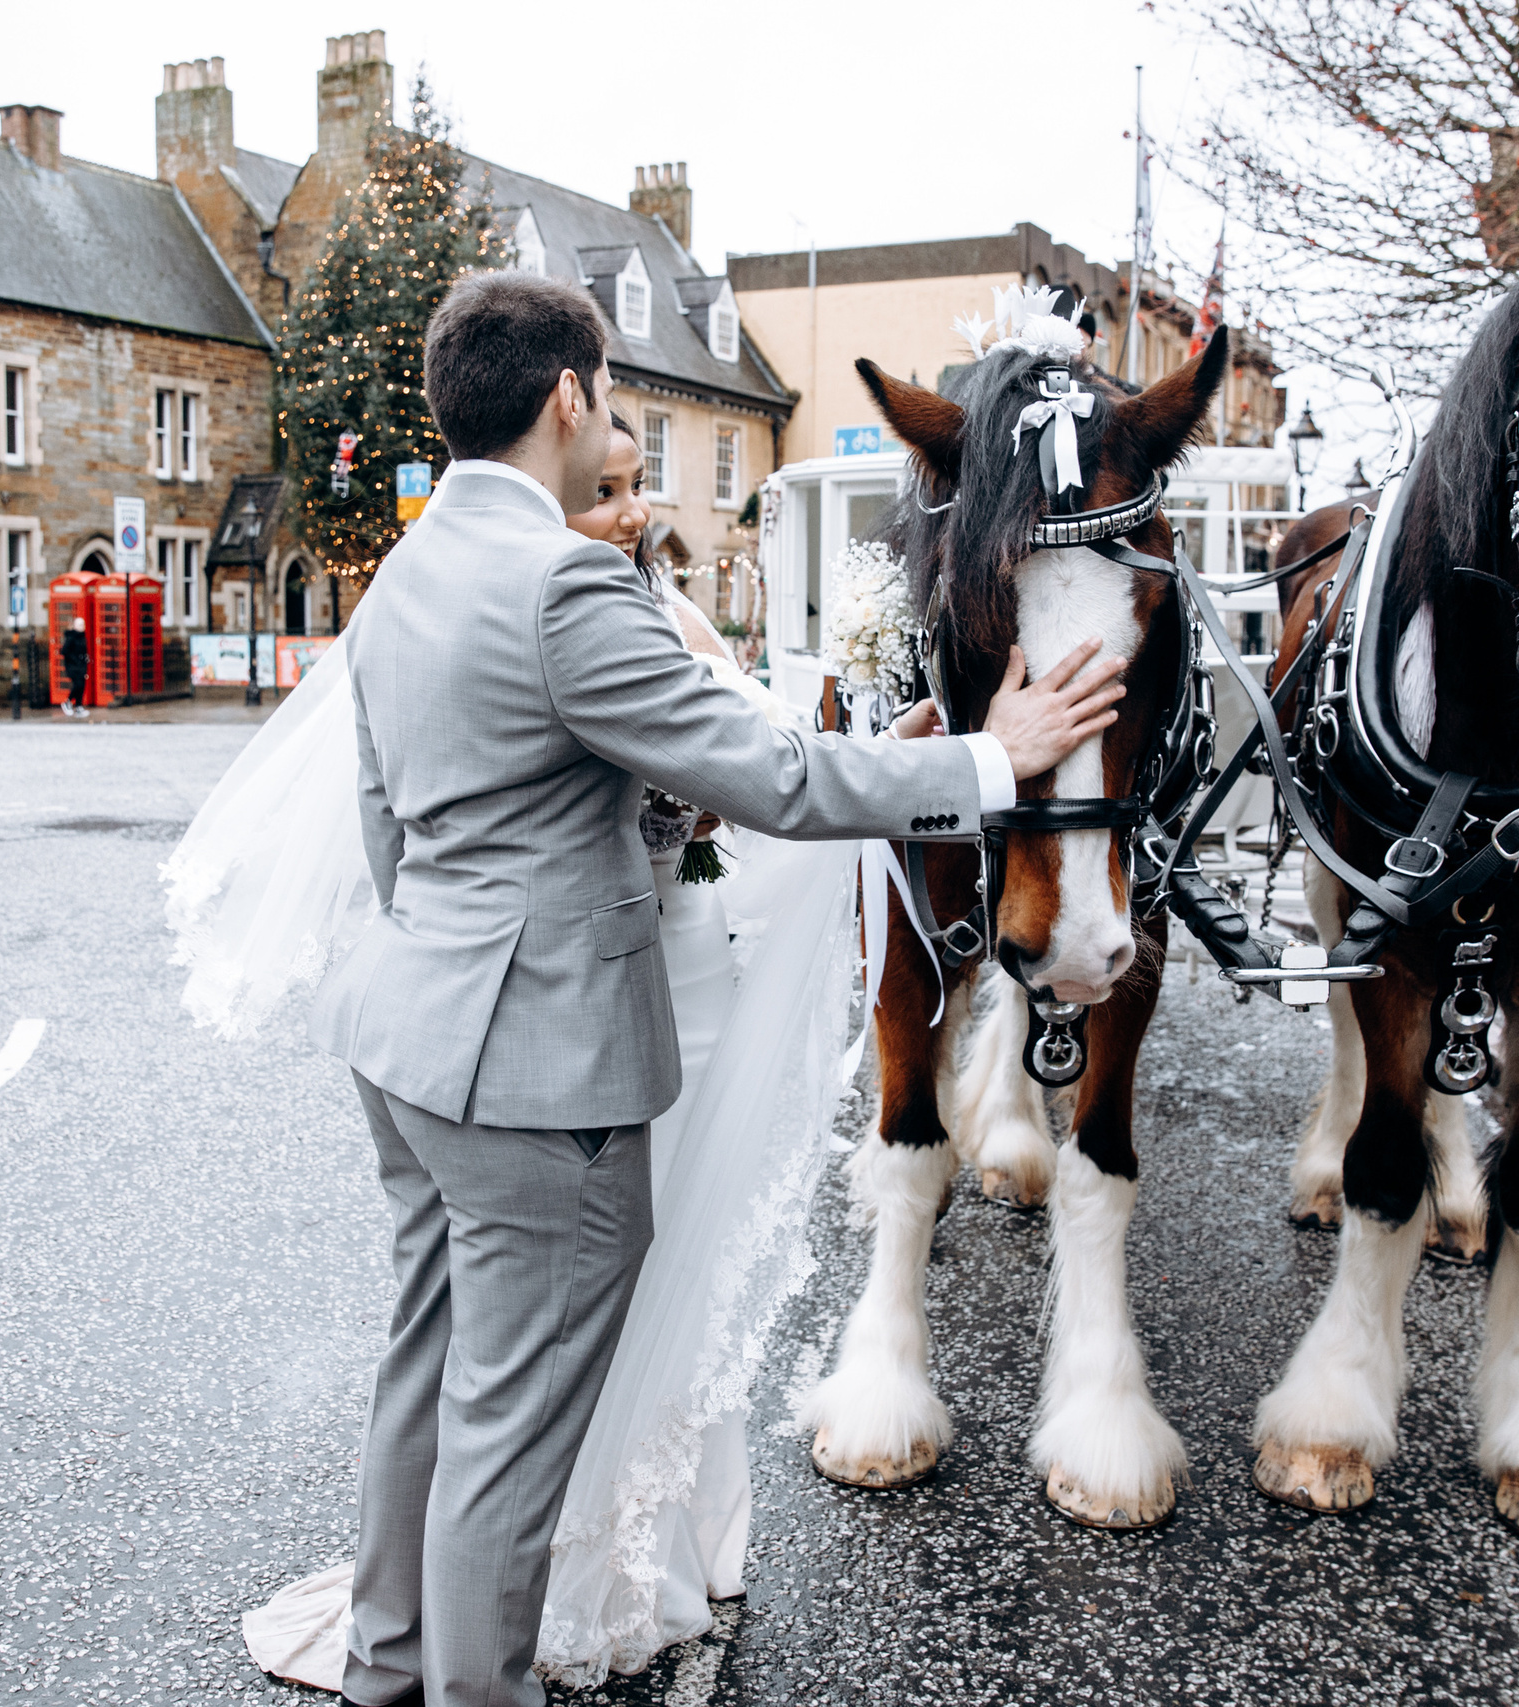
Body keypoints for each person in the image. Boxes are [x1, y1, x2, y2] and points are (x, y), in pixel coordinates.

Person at [299, 271, 1124, 1707]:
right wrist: (996, 756)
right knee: (510, 1426)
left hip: (407, 1035)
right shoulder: (564, 580)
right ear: (568, 396)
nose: (610, 419)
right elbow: (775, 778)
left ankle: (388, 1664)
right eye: (611, 394)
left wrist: (635, 836)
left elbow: (401, 829)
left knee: (428, 1369)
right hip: (536, 1068)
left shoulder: (404, 575)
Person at [59, 616, 90, 718]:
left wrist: (85, 658)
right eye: (80, 625)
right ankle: (67, 702)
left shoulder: (82, 636)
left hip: (81, 665)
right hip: (72, 666)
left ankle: (79, 706)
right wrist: (75, 660)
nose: (82, 627)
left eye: (83, 624)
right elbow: (64, 651)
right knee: (77, 685)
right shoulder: (71, 637)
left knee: (82, 686)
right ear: (75, 626)